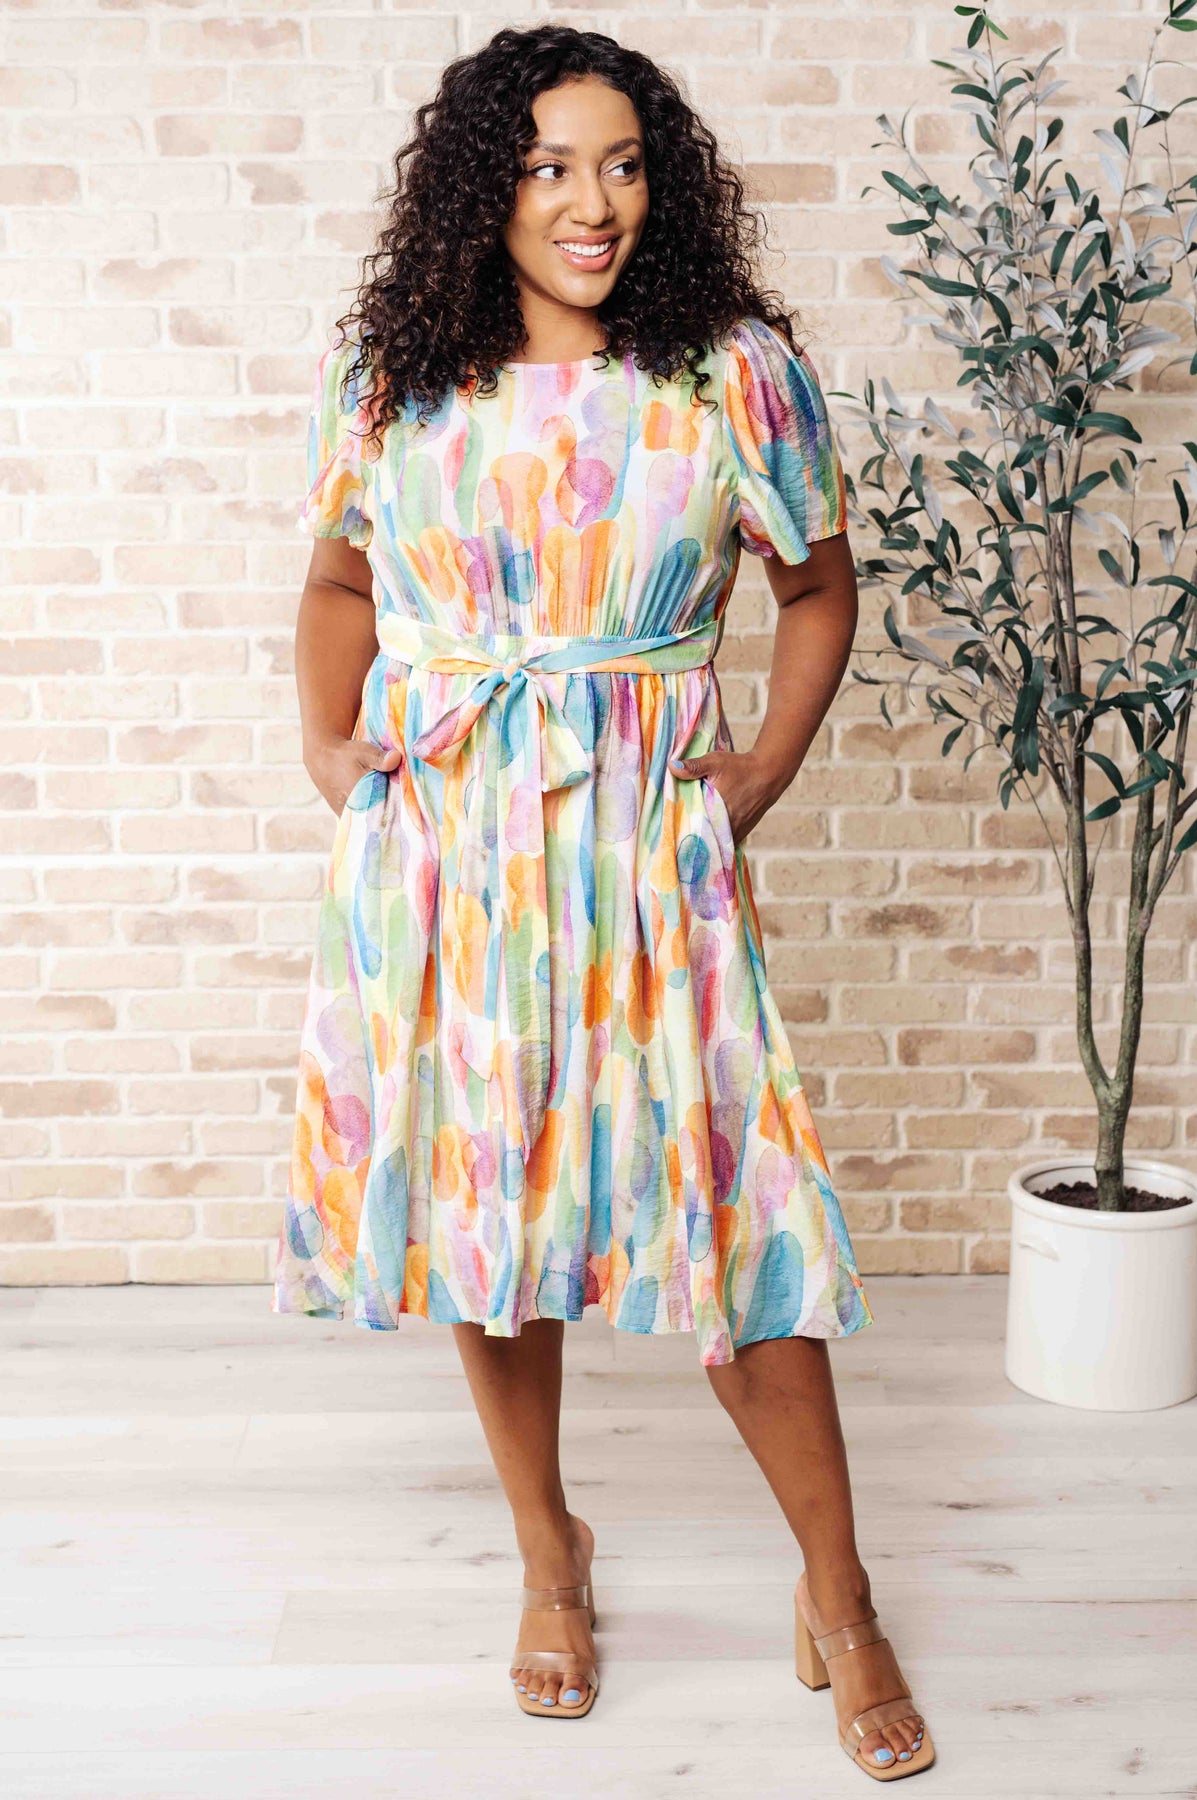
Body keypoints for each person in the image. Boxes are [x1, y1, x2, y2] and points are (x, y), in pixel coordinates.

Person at [272, 22, 934, 1782]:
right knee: (489, 1216)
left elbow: (815, 587)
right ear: (482, 189)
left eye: (624, 164)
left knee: (737, 1214)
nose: (593, 202)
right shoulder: (394, 372)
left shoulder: (727, 374)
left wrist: (758, 772)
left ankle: (840, 1593)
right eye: (551, 166)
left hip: (645, 849)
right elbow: (338, 581)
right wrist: (333, 757)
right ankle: (548, 1554)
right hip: (446, 857)